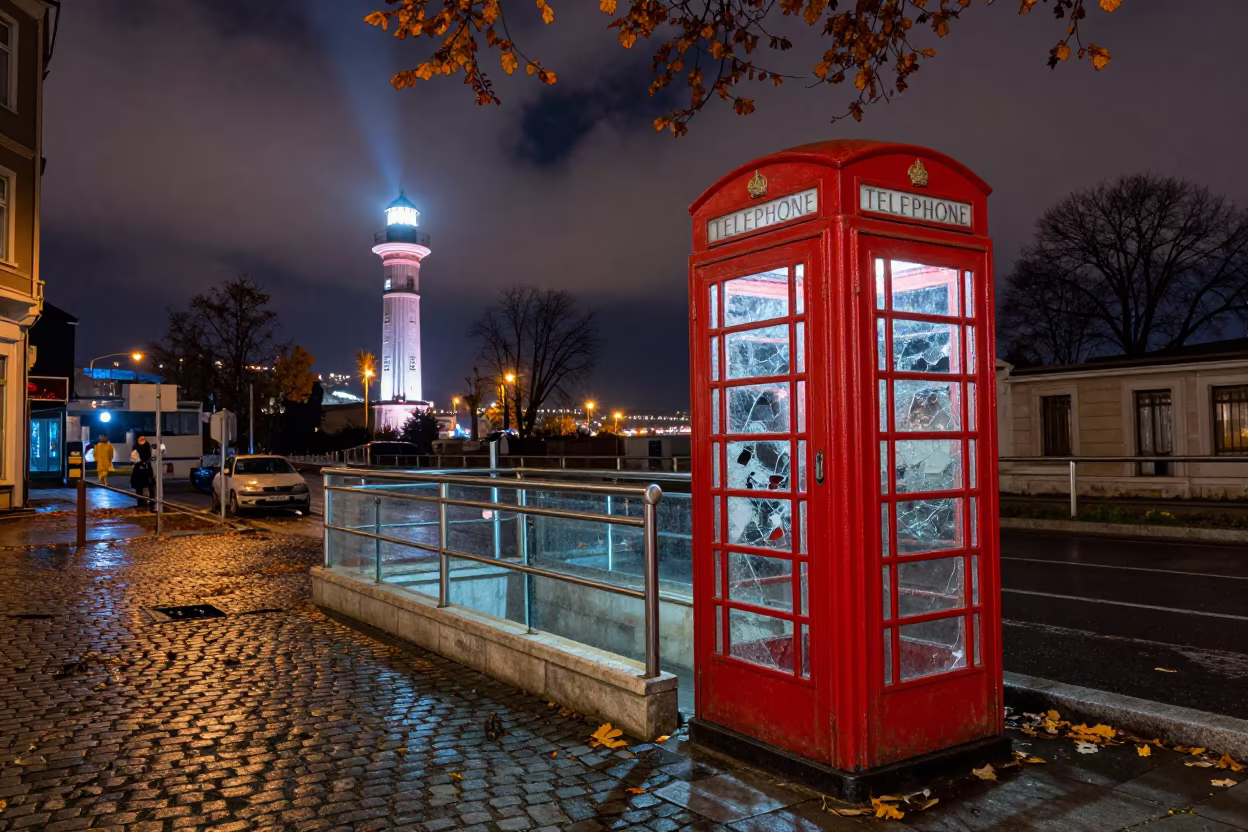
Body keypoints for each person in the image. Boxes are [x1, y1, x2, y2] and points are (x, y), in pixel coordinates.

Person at [130, 436, 155, 509]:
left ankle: (151, 501)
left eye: (143, 439)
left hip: (146, 467)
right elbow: (133, 457)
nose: (141, 440)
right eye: (140, 439)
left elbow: (148, 456)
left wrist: (143, 462)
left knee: (150, 485)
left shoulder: (147, 446)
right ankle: (140, 501)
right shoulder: (136, 446)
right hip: (138, 468)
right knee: (139, 486)